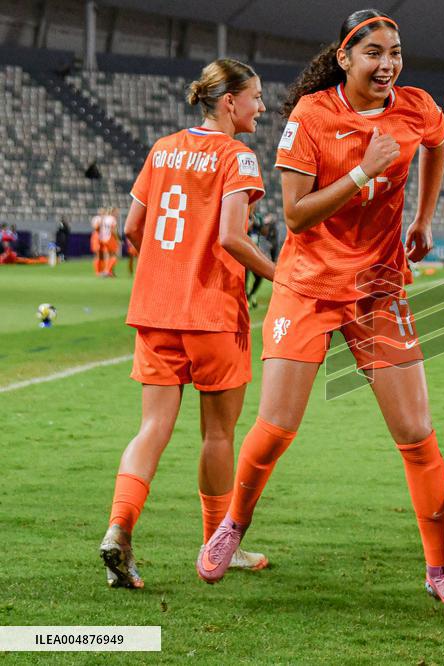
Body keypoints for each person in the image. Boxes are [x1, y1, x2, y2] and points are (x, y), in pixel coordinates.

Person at [196, 10, 444, 625]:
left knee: (417, 436)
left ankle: (440, 573)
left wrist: (425, 218)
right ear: (345, 58)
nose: (388, 64)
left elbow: (437, 143)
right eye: (374, 52)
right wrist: (363, 171)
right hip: (308, 285)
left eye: (396, 52)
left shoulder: (416, 106)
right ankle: (232, 527)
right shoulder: (311, 116)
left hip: (379, 287)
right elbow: (296, 216)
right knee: (275, 427)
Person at [99, 58, 276, 588]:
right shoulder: (238, 158)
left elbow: (135, 227)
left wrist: (166, 268)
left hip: (156, 309)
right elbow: (232, 238)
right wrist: (284, 277)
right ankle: (217, 547)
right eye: (256, 97)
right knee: (218, 433)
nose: (261, 107)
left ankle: (119, 528)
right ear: (229, 102)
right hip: (214, 313)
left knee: (152, 427)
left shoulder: (162, 149)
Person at [247, 212, 279, 308]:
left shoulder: (258, 217)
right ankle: (245, 299)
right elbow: (246, 229)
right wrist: (252, 221)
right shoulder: (242, 214)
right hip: (244, 252)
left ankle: (250, 294)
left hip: (254, 252)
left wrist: (263, 224)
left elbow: (264, 232)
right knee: (245, 278)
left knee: (259, 277)